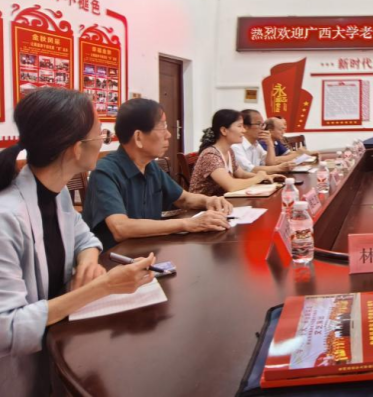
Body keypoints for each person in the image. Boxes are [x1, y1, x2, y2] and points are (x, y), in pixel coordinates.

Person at [0, 89, 157, 396]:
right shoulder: (7, 217)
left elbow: (84, 235)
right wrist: (103, 287)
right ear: (76, 149)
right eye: (102, 134)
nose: (104, 142)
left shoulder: (56, 192)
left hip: (56, 352)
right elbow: (7, 329)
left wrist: (87, 259)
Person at [82, 98, 234, 249]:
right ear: (138, 137)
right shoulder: (105, 171)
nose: (168, 135)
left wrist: (209, 201)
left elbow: (184, 199)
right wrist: (187, 224)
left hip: (147, 249)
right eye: (162, 127)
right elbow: (121, 228)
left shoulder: (150, 166)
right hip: (115, 257)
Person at [190, 109, 285, 197]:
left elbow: (241, 174)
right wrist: (257, 178)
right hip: (203, 207)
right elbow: (231, 186)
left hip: (222, 202)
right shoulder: (210, 155)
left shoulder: (229, 151)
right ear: (224, 131)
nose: (243, 130)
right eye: (240, 126)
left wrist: (266, 177)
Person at [232, 110, 294, 174]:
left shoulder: (256, 144)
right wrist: (280, 168)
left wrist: (270, 144)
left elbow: (270, 163)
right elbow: (251, 170)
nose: (263, 128)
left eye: (263, 124)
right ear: (245, 127)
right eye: (259, 124)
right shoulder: (236, 146)